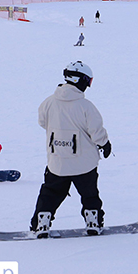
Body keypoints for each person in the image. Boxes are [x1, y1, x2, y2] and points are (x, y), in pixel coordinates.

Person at [30, 61, 112, 237]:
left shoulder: (49, 102)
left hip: (57, 160)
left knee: (50, 192)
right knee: (89, 194)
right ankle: (93, 220)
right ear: (81, 81)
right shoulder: (86, 106)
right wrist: (105, 143)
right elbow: (96, 130)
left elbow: (42, 122)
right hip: (84, 163)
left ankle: (42, 221)